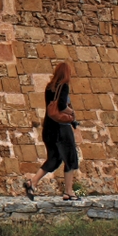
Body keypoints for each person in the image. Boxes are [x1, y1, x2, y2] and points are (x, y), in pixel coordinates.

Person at [24, 62, 82, 201]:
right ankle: (69, 192)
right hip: (61, 128)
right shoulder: (64, 86)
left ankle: (32, 182)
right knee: (71, 158)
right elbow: (62, 106)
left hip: (48, 129)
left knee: (54, 159)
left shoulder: (49, 87)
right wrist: (72, 112)